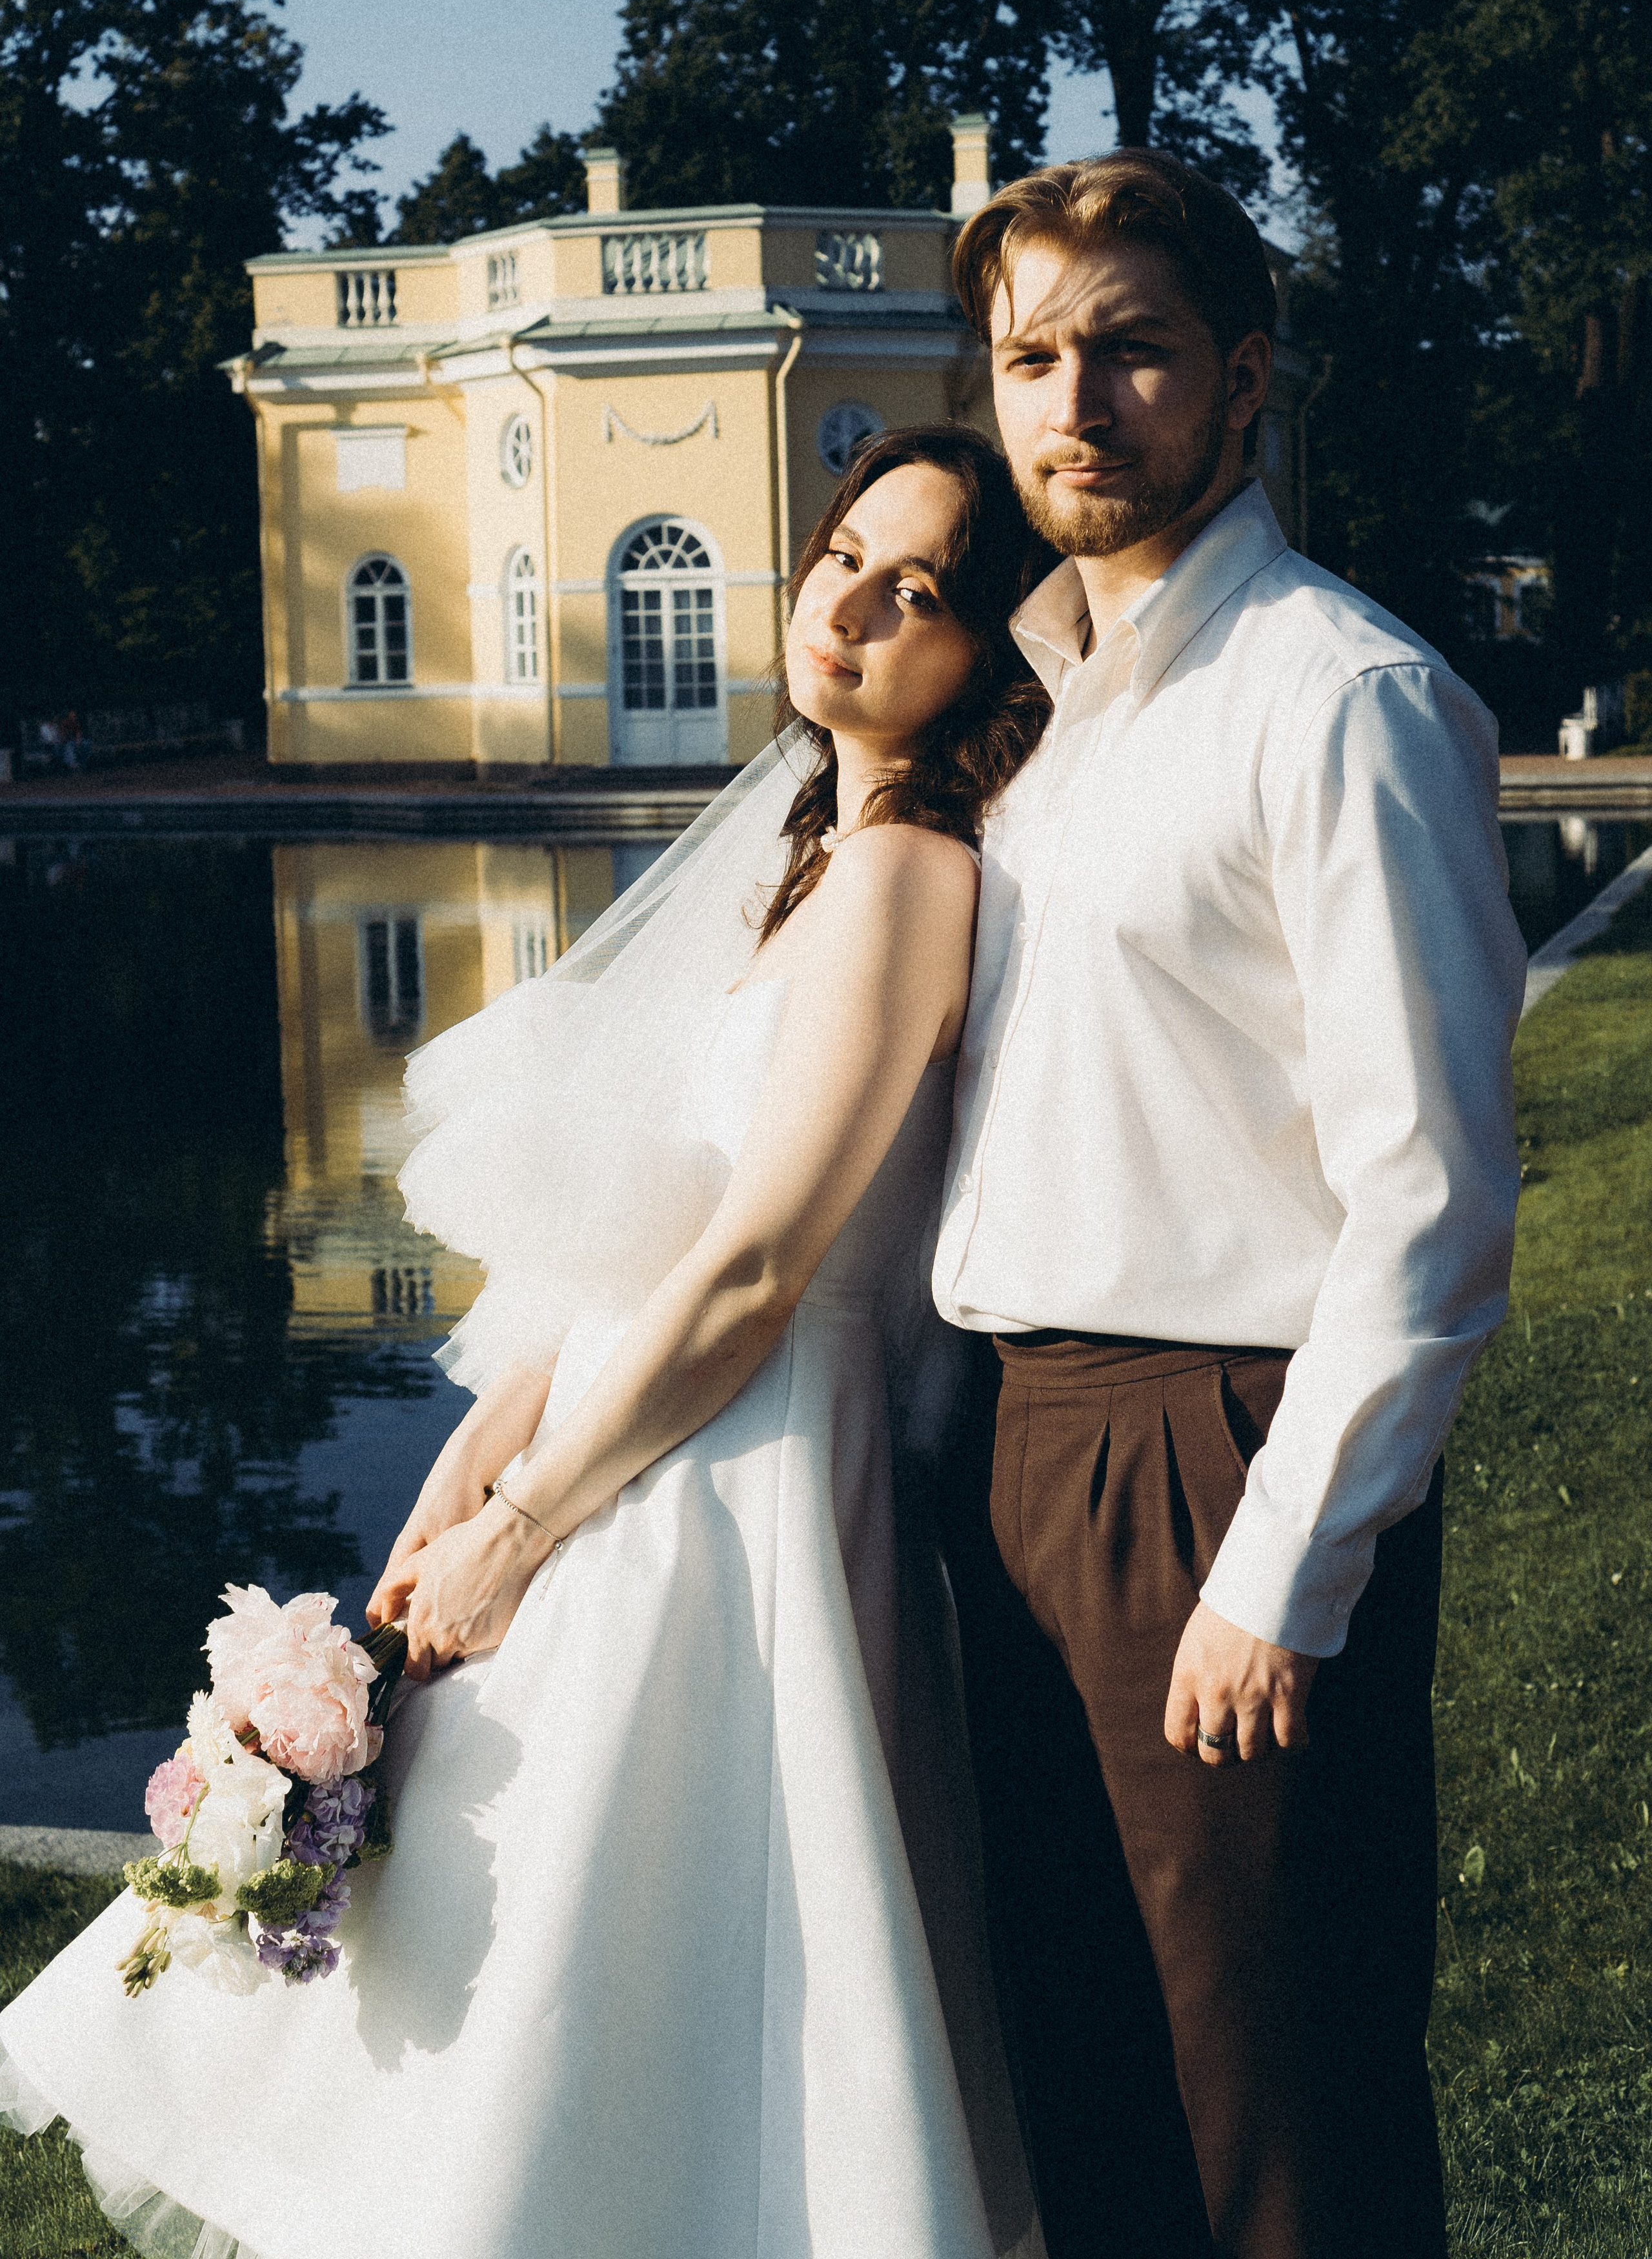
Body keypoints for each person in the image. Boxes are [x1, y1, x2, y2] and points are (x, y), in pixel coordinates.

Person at [0, 426, 1056, 2259]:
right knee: (537, 1916)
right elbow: (649, 1248)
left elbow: (754, 1270)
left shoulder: (910, 881)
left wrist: (528, 1521)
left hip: (755, 1468)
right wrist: (467, 1467)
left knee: (635, 1938)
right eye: (845, 555)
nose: (859, 606)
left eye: (926, 590)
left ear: (987, 652)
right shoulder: (821, 861)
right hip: (664, 1424)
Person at [931, 152, 1526, 2259]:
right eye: (1029, 358)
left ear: (1244, 378)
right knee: (1085, 2079)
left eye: (1132, 350)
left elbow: (1435, 1192)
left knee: (1276, 2100)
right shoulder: (1048, 711)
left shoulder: (1337, 700)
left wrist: (1283, 1563)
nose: (1074, 402)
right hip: (1014, 1446)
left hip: (1214, 1451)